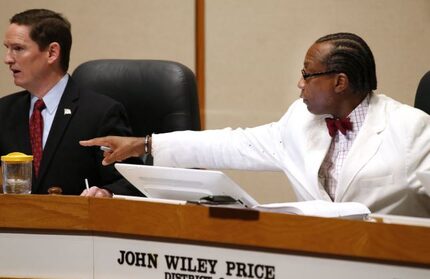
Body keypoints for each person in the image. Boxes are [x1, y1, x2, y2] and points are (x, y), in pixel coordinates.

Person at [80, 32, 430, 217]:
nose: (300, 84)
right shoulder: (300, 120)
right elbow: (233, 144)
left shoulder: (412, 129)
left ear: (340, 82)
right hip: (319, 258)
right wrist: (146, 144)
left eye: (307, 76)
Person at [1, 9, 143, 197]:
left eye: (18, 49)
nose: (7, 59)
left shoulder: (100, 113)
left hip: (77, 222)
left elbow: (130, 183)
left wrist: (105, 193)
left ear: (52, 52)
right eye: (7, 48)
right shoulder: (3, 111)